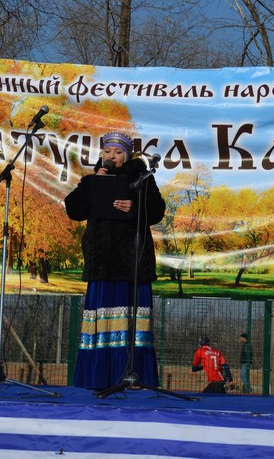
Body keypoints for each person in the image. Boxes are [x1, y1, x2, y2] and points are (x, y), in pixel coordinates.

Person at [64, 131, 165, 390]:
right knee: (102, 321)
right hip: (101, 263)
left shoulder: (142, 179)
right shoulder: (93, 179)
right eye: (108, 151)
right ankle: (99, 378)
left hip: (132, 262)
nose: (112, 156)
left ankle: (134, 377)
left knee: (132, 321)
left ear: (127, 156)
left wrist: (134, 207)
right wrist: (92, 184)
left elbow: (157, 210)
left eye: (118, 152)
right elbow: (74, 209)